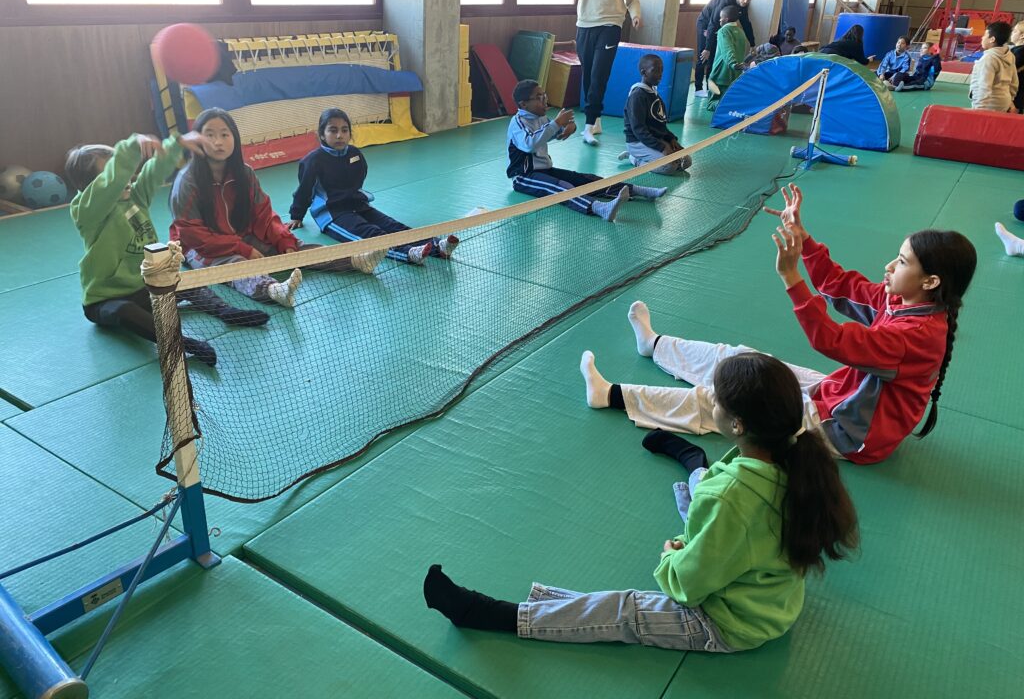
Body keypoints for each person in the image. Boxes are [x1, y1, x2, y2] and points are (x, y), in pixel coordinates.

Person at [423, 351, 859, 653]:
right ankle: (692, 462)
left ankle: (491, 615)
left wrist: (671, 557)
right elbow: (733, 517)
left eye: (717, 401)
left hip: (731, 622)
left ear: (738, 425)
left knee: (625, 610)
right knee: (702, 493)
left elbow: (687, 586)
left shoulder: (733, 499)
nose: (711, 402)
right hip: (768, 594)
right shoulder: (791, 455)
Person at [579, 184, 977, 465]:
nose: (889, 266)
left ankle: (611, 395)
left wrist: (791, 277)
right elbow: (841, 286)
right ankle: (655, 345)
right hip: (837, 393)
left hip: (848, 432)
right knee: (743, 360)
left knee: (728, 402)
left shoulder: (916, 338)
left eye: (902, 262)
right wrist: (804, 240)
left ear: (931, 282)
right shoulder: (903, 300)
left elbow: (832, 339)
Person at [67, 132, 271, 367]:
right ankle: (182, 343)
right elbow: (111, 183)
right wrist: (132, 147)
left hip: (145, 287)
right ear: (93, 187)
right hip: (105, 299)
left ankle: (225, 312)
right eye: (114, 171)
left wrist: (176, 145)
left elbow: (153, 172)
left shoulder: (134, 197)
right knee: (124, 310)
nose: (128, 175)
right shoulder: (87, 212)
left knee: (186, 283)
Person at [170, 108, 384, 309]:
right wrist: (242, 249)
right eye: (209, 135)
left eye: (225, 134)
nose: (218, 142)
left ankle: (354, 261)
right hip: (199, 248)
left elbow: (263, 214)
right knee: (235, 265)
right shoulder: (187, 182)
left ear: (234, 138)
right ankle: (273, 290)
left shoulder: (244, 173)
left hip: (240, 234)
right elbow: (194, 235)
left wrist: (282, 239)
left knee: (293, 245)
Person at [287, 108, 457, 265]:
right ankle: (408, 254)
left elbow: (359, 178)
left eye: (344, 130)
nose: (339, 135)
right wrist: (297, 215)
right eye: (333, 130)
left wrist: (353, 198)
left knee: (394, 226)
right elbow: (304, 190)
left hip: (359, 205)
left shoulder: (355, 154)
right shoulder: (312, 161)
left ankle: (438, 247)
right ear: (322, 135)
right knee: (372, 234)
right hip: (333, 214)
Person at [507, 79, 666, 221]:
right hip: (523, 176)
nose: (544, 99)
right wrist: (557, 123)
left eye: (544, 95)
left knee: (585, 179)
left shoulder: (540, 117)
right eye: (538, 97)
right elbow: (529, 144)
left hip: (545, 170)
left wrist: (568, 128)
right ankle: (599, 208)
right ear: (523, 104)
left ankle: (639, 191)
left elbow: (551, 133)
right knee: (562, 187)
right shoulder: (518, 123)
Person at [569, 0, 642, 146]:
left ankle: (589, 125)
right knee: (588, 74)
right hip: (585, 24)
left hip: (611, 25)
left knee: (599, 74)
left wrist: (635, 15)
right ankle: (596, 119)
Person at [617, 54, 692, 174]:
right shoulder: (637, 96)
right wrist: (662, 147)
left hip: (655, 140)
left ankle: (649, 157)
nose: (660, 74)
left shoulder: (654, 95)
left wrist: (671, 139)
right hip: (638, 142)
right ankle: (634, 158)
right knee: (669, 167)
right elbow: (639, 130)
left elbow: (660, 126)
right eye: (655, 71)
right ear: (644, 72)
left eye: (661, 70)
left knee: (686, 161)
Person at [694, 0, 756, 97]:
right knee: (704, 56)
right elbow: (713, 23)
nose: (745, 1)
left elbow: (746, 23)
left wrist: (752, 44)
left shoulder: (743, 5)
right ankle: (698, 88)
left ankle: (709, 88)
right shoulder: (725, 0)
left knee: (713, 58)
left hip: (720, 28)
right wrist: (707, 48)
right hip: (706, 24)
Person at [969, 21, 1018, 113]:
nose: (982, 38)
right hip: (1004, 102)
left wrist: (979, 109)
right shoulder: (1009, 55)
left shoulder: (988, 59)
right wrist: (1010, 100)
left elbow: (984, 86)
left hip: (989, 105)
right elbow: (1014, 82)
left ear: (992, 39)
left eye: (984, 35)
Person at [705, 6, 748, 111]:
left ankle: (727, 107)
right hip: (735, 75)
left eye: (721, 17)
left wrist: (733, 63)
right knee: (728, 98)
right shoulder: (741, 32)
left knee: (711, 104)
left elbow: (727, 49)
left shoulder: (723, 31)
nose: (719, 20)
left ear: (726, 19)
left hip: (720, 74)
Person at [1007, 20, 1024, 113]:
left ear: (1022, 36)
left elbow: (1007, 71)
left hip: (1016, 96)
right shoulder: (1016, 50)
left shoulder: (1020, 52)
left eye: (1015, 31)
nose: (1012, 33)